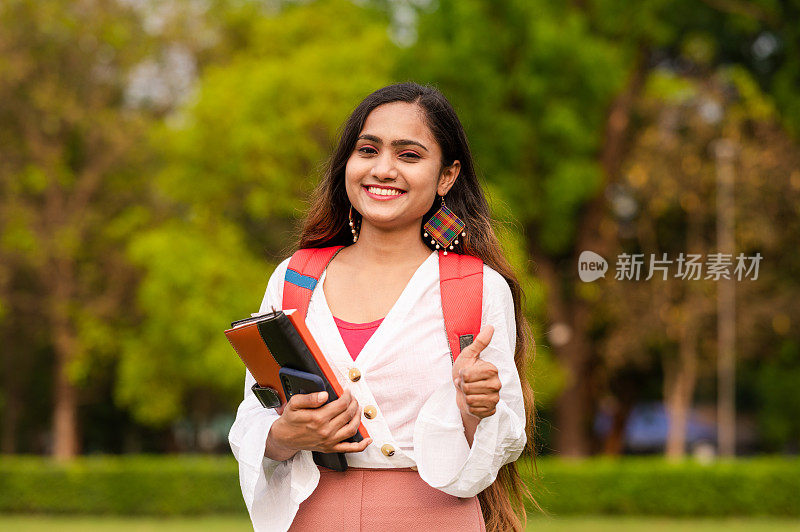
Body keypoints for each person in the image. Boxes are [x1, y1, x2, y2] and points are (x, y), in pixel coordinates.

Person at [228, 82, 535, 532]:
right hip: (312, 516)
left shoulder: (477, 288)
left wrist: (476, 407)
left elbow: (502, 438)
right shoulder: (295, 279)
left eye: (409, 155)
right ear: (348, 164)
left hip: (435, 518)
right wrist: (283, 435)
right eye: (368, 150)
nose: (383, 169)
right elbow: (253, 415)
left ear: (446, 176)